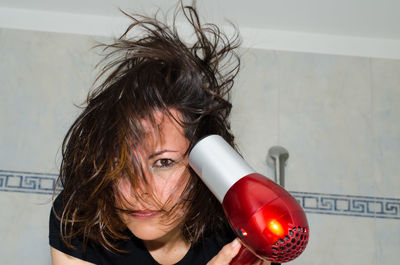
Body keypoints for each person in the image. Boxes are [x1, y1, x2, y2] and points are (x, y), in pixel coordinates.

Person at [49, 1, 271, 264]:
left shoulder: (240, 227)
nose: (139, 191)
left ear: (205, 164)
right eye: (120, 164)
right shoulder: (79, 218)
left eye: (164, 162)